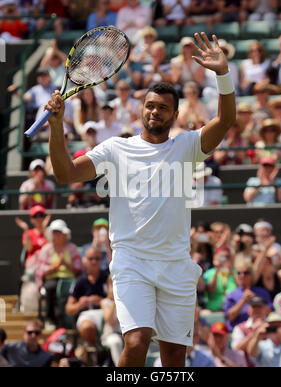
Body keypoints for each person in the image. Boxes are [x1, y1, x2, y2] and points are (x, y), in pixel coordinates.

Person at [45, 31, 236, 367]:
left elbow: (226, 120)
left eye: (163, 108)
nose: (154, 111)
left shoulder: (187, 145)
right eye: (149, 105)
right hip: (132, 261)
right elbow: (65, 173)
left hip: (176, 263)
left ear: (174, 115)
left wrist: (222, 74)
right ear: (139, 110)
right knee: (136, 341)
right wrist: (56, 125)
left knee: (175, 357)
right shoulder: (116, 148)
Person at [35, 219, 82, 327]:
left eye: (59, 232)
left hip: (70, 279)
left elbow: (79, 268)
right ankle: (51, 319)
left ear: (65, 234)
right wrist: (55, 267)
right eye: (55, 233)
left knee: (72, 291)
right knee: (50, 288)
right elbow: (40, 268)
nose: (57, 235)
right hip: (52, 278)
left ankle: (70, 321)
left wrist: (66, 264)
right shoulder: (46, 249)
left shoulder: (72, 248)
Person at [65, 247, 109, 349]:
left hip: (106, 313)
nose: (94, 261)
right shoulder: (80, 281)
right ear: (84, 260)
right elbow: (68, 309)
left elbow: (117, 300)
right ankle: (96, 351)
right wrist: (80, 304)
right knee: (86, 327)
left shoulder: (107, 278)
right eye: (90, 258)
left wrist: (102, 301)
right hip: (86, 315)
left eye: (97, 258)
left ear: (101, 260)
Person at [224, 259, 273, 332]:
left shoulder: (262, 292)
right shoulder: (232, 295)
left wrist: (257, 302)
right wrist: (244, 300)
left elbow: (270, 312)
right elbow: (230, 317)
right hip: (238, 332)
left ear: (251, 274)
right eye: (239, 273)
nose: (242, 275)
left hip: (260, 330)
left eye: (246, 273)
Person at [231, 296, 270, 367]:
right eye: (254, 307)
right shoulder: (240, 328)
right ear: (249, 310)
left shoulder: (272, 325)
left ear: (266, 309)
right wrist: (254, 333)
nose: (257, 310)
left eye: (260, 307)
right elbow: (236, 349)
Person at [202, 246, 237, 313]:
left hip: (232, 311)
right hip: (214, 310)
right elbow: (211, 290)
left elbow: (240, 289)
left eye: (227, 256)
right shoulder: (210, 273)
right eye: (222, 257)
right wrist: (217, 268)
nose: (225, 259)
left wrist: (231, 270)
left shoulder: (236, 273)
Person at [100, 276, 124, 366]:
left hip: (123, 335)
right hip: (110, 335)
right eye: (112, 286)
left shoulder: (124, 303)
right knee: (115, 342)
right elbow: (109, 319)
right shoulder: (106, 302)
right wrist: (114, 303)